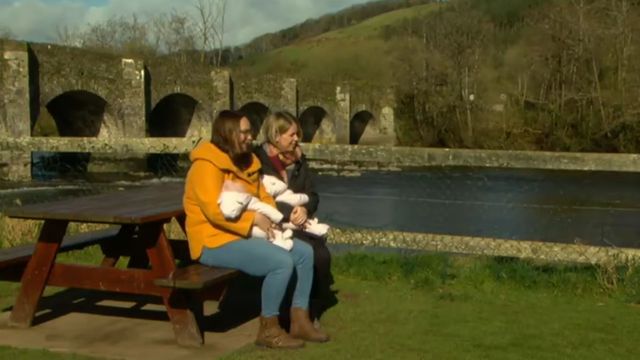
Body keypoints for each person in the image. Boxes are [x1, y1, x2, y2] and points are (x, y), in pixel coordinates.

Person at [183, 110, 329, 349]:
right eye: (245, 132)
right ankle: (269, 329)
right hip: (213, 241)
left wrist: (272, 218)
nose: (251, 136)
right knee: (281, 262)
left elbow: (263, 196)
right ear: (228, 133)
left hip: (245, 235)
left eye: (250, 131)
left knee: (304, 253)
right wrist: (253, 220)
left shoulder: (247, 160)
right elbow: (214, 213)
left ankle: (300, 320)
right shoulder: (205, 166)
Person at [254, 110, 337, 322]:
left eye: (297, 133)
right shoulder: (257, 161)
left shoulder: (300, 161)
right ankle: (291, 310)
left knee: (321, 254)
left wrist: (305, 209)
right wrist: (288, 212)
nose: (296, 139)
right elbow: (259, 198)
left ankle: (310, 309)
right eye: (291, 134)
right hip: (270, 225)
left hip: (299, 223)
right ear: (276, 136)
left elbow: (313, 196)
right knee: (305, 252)